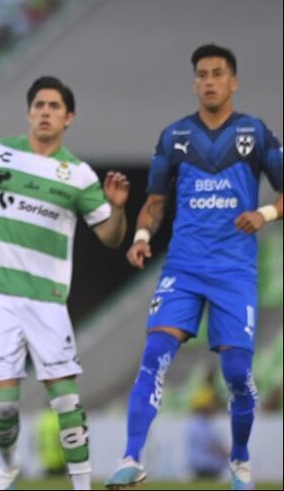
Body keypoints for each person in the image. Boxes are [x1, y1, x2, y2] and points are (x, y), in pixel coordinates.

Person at [0, 76, 130, 491]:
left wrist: (118, 211)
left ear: (69, 117)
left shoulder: (79, 175)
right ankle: (9, 467)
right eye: (40, 105)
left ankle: (83, 484)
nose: (46, 112)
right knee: (3, 405)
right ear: (29, 112)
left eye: (54, 106)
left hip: (47, 299)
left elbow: (110, 236)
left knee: (65, 398)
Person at [105, 44, 282, 491]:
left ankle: (240, 461)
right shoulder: (174, 137)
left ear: (233, 82)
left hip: (234, 271)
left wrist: (265, 214)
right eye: (202, 74)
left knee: (237, 374)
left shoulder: (254, 133)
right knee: (154, 356)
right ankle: (131, 457)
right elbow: (155, 203)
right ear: (194, 83)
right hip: (183, 268)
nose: (209, 81)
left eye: (217, 73)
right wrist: (141, 237)